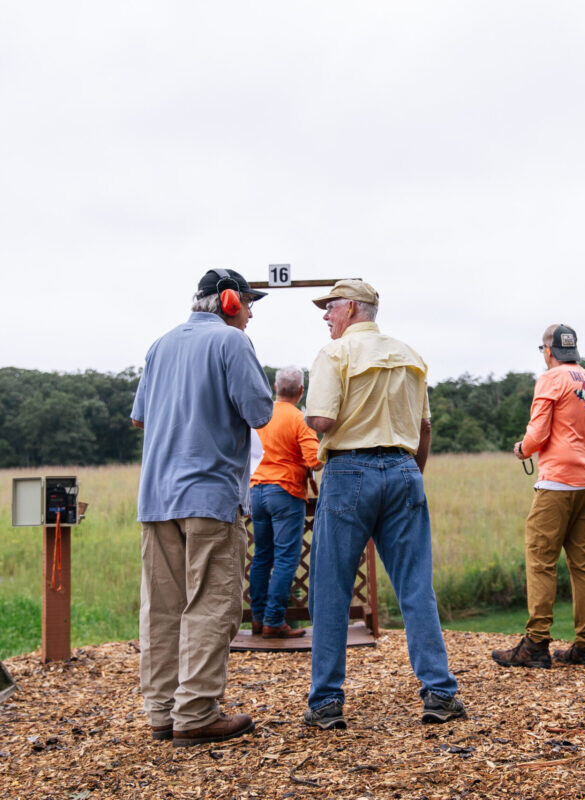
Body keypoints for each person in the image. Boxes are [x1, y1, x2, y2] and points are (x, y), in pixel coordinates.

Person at [302, 279, 464, 730]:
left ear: (352, 307)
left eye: (330, 307)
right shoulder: (411, 356)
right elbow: (425, 429)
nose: (325, 315)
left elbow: (322, 419)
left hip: (349, 471)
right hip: (405, 470)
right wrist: (411, 476)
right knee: (416, 587)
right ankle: (439, 692)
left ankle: (327, 703)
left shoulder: (334, 355)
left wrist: (306, 418)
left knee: (331, 591)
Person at [131, 268, 273, 747]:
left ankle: (162, 712)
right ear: (229, 302)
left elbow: (139, 418)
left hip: (156, 498)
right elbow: (260, 413)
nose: (251, 313)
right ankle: (195, 713)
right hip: (209, 496)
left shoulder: (159, 345)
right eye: (249, 303)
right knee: (212, 604)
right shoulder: (232, 344)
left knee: (162, 609)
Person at [492, 324, 585, 670]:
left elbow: (538, 431)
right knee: (582, 563)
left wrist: (523, 449)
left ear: (548, 351)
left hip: (558, 482)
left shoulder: (550, 378)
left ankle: (536, 644)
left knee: (541, 559)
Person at [249, 366, 322, 638]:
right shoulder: (301, 419)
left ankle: (256, 618)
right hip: (286, 492)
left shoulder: (261, 415)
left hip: (256, 490)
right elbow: (314, 459)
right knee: (285, 559)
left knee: (261, 556)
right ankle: (273, 620)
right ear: (301, 391)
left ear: (275, 388)